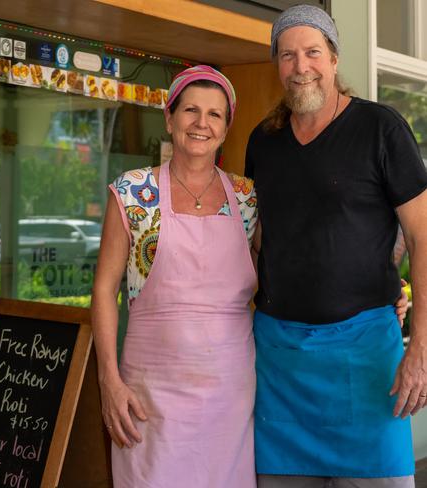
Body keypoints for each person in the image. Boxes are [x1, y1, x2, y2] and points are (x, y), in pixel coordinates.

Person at [245, 4, 427, 487]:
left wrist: (422, 350)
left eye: (312, 52)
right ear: (277, 64)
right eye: (287, 55)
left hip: (367, 360)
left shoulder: (381, 128)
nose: (300, 67)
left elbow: (421, 238)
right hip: (281, 366)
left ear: (333, 58)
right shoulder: (262, 143)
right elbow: (257, 239)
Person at [91, 65, 259, 487]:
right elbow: (104, 288)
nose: (201, 123)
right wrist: (109, 380)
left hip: (230, 398)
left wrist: (389, 291)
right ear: (169, 118)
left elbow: (284, 275)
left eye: (215, 114)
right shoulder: (132, 193)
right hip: (149, 396)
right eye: (190, 110)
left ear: (225, 128)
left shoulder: (248, 197)